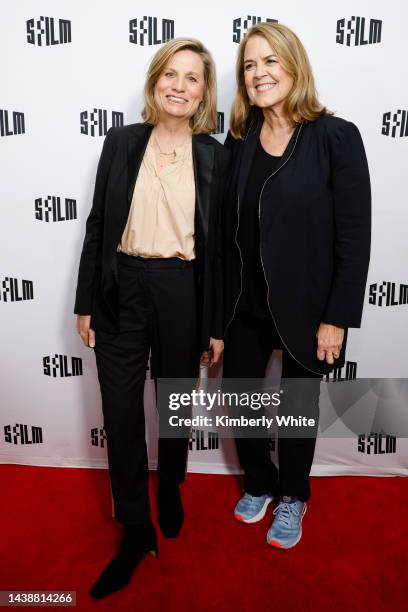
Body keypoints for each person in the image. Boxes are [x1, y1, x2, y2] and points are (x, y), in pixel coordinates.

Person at [74, 38, 229, 598]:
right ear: (155, 81)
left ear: (204, 91)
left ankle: (171, 486)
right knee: (119, 411)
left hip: (183, 287)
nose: (180, 86)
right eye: (171, 74)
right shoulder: (120, 142)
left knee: (176, 398)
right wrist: (85, 300)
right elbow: (98, 224)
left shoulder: (217, 155)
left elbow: (222, 251)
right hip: (121, 286)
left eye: (192, 78)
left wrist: (215, 325)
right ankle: (136, 528)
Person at [223, 22, 371, 549]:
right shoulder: (239, 139)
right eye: (249, 65)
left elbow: (354, 237)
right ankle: (259, 484)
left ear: (293, 65)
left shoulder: (335, 136)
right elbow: (228, 229)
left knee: (296, 409)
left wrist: (336, 318)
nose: (259, 73)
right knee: (240, 399)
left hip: (309, 307)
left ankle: (292, 496)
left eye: (270, 61)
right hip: (244, 305)